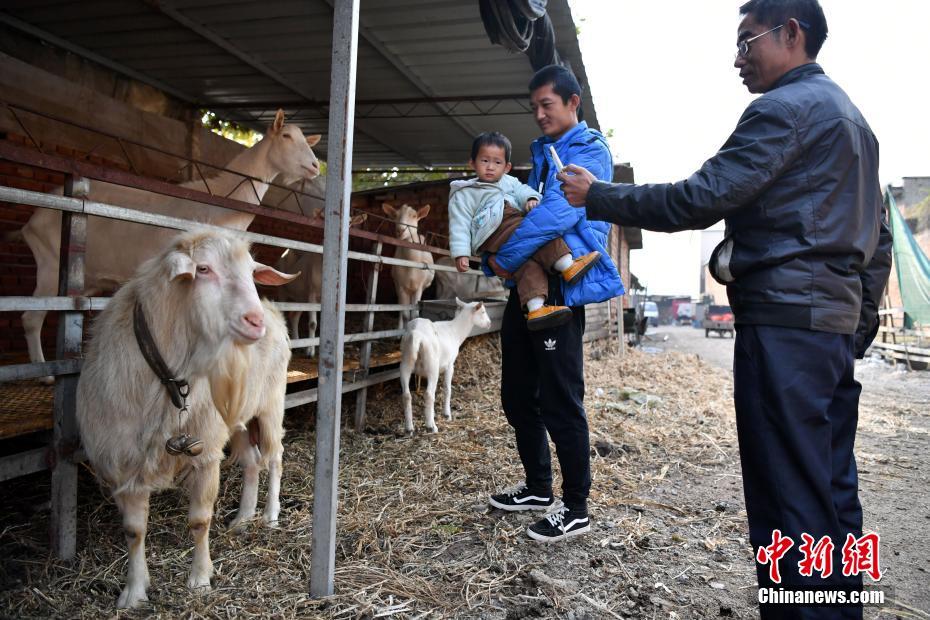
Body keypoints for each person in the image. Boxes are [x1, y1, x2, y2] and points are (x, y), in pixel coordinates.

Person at [556, 0, 892, 616]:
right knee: (832, 486)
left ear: (792, 33)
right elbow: (880, 237)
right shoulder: (855, 123)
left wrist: (598, 195)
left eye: (747, 40)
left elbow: (701, 198)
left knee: (787, 493)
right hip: (828, 332)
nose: (738, 58)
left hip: (786, 325)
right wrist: (854, 328)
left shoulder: (782, 110)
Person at [484, 64, 625, 542]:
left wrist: (501, 257)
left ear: (572, 104)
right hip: (527, 289)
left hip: (563, 288)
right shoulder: (543, 154)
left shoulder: (589, 152)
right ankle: (539, 487)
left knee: (561, 399)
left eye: (547, 105)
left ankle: (577, 505)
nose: (539, 114)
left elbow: (554, 218)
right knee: (518, 396)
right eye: (534, 107)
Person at [448, 131, 602, 330]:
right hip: (493, 231)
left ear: (507, 167)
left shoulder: (509, 182)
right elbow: (459, 223)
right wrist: (461, 252)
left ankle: (536, 308)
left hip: (512, 222)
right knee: (539, 232)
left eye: (497, 162)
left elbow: (523, 190)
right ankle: (567, 265)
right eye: (484, 160)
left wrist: (531, 199)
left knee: (527, 266)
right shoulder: (464, 193)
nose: (490, 167)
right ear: (472, 163)